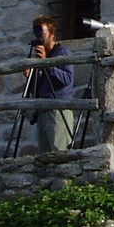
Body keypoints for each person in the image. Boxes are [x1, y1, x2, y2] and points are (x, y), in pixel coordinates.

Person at [25, 16, 75, 153]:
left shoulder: (63, 52)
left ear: (52, 34)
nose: (39, 36)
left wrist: (46, 63)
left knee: (59, 152)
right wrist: (31, 75)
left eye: (42, 32)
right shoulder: (40, 56)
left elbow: (67, 79)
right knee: (45, 154)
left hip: (58, 109)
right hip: (43, 109)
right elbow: (38, 89)